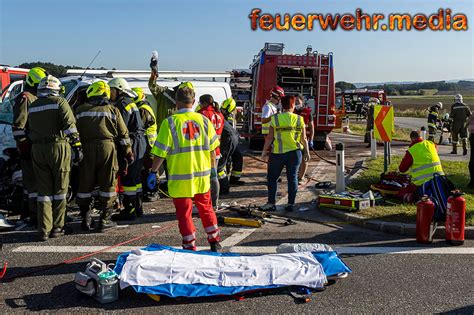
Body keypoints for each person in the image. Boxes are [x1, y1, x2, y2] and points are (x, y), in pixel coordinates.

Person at [147, 82, 221, 252]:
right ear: (194, 101)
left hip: (180, 179)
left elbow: (160, 153)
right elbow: (212, 150)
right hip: (202, 176)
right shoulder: (204, 120)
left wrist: (153, 172)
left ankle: (189, 246)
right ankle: (214, 241)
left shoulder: (170, 122)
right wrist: (213, 171)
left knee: (184, 213)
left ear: (176, 101)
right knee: (207, 209)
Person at [28, 75, 82, 241]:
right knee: (60, 189)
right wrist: (77, 146)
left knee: (43, 192)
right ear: (55, 89)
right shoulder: (60, 102)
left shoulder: (33, 105)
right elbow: (69, 126)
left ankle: (44, 230)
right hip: (57, 147)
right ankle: (58, 227)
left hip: (37, 149)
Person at [75, 81, 132, 232]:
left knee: (85, 184)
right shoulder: (113, 110)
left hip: (85, 148)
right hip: (107, 148)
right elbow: (123, 134)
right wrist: (128, 151)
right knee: (108, 183)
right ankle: (104, 220)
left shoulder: (80, 110)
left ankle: (85, 219)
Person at [260, 95, 310, 212]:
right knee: (292, 178)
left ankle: (271, 203)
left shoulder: (276, 119)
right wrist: (306, 152)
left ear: (282, 105)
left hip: (278, 154)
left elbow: (269, 138)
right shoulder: (299, 119)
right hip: (295, 153)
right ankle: (290, 204)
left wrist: (264, 152)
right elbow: (304, 138)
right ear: (293, 105)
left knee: (272, 178)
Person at [12, 67, 47, 225]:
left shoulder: (35, 97)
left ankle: (34, 212)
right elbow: (19, 127)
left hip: (37, 147)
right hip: (30, 147)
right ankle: (33, 214)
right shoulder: (26, 98)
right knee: (32, 184)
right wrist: (24, 145)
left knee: (37, 183)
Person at [108, 78, 146, 220]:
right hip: (139, 141)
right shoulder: (130, 102)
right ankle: (138, 208)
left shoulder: (122, 104)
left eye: (111, 90)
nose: (109, 93)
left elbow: (121, 128)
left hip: (132, 141)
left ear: (118, 90)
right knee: (136, 179)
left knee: (129, 178)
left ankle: (129, 212)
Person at [197, 94, 225, 208]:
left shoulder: (202, 114)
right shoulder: (219, 114)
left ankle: (207, 204)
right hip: (216, 150)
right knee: (214, 177)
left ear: (204, 103)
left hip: (205, 151)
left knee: (205, 179)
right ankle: (215, 204)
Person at [132, 87, 159, 202]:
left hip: (149, 144)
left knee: (150, 168)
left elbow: (140, 125)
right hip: (145, 143)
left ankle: (153, 192)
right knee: (144, 169)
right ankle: (147, 191)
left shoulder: (143, 108)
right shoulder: (141, 107)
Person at [221, 98, 245, 186]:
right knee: (226, 160)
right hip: (227, 141)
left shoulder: (229, 115)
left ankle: (234, 179)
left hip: (232, 141)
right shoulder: (226, 116)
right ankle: (225, 181)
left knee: (238, 157)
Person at [294, 94, 314, 184]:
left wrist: (311, 140)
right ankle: (296, 175)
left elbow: (312, 127)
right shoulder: (292, 111)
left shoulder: (307, 112)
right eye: (295, 101)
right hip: (293, 140)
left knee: (305, 158)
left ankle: (301, 178)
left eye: (298, 101)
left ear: (302, 101)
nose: (296, 103)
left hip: (304, 139)